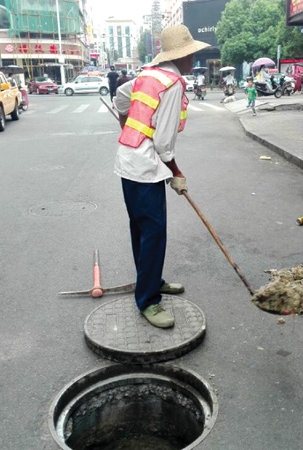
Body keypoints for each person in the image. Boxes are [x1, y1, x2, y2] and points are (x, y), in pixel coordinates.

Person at [113, 24, 210, 328]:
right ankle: (148, 300)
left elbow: (120, 96)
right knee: (153, 233)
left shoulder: (148, 75)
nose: (192, 59)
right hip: (144, 168)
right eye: (189, 54)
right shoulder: (173, 84)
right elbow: (164, 143)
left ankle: (152, 281)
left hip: (128, 162)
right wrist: (176, 172)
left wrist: (125, 123)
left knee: (142, 230)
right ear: (178, 57)